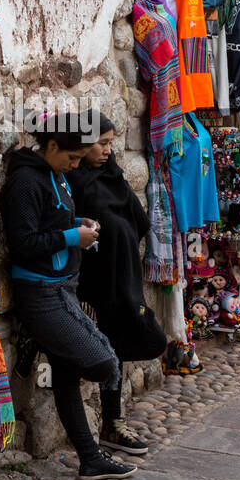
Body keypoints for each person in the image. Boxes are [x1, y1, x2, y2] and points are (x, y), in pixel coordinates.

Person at [1, 112, 135, 480]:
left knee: (66, 374)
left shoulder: (55, 174)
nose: (75, 165)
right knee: (102, 362)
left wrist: (80, 224)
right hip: (42, 293)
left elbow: (52, 224)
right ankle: (39, 336)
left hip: (63, 288)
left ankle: (90, 459)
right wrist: (73, 238)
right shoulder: (25, 182)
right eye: (72, 158)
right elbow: (24, 243)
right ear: (53, 145)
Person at [66, 111, 166, 456]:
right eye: (102, 143)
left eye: (111, 143)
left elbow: (137, 220)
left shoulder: (112, 176)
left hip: (120, 283)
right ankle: (109, 423)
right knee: (102, 351)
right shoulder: (74, 182)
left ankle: (112, 421)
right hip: (89, 286)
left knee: (123, 344)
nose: (108, 150)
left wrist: (120, 244)